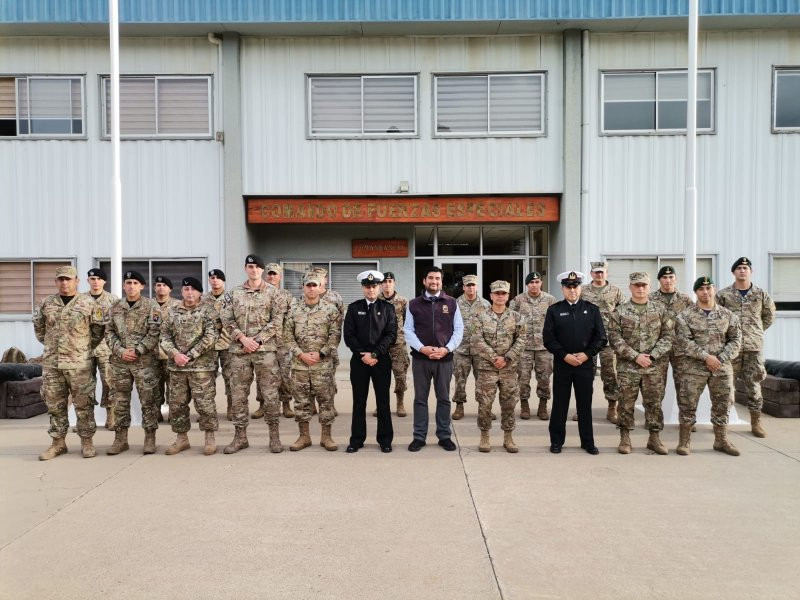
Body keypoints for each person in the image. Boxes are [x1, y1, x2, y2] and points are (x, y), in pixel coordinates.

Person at [34, 266, 105, 460]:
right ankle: (58, 443)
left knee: (84, 404)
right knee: (55, 405)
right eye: (60, 280)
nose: (64, 283)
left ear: (77, 281)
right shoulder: (46, 303)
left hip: (79, 364)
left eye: (68, 279)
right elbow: (40, 330)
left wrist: (81, 347)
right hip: (53, 364)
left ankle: (87, 441)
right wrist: (53, 346)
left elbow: (98, 331)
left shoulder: (89, 303)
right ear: (56, 282)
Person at [219, 254, 283, 454]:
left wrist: (257, 340)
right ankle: (240, 438)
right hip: (239, 351)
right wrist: (242, 338)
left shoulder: (274, 293)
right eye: (250, 266)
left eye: (257, 267)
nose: (253, 270)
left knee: (270, 394)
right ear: (245, 268)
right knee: (238, 395)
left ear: (262, 270)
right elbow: (226, 318)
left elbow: (278, 319)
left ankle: (274, 437)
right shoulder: (234, 293)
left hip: (265, 352)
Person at [675, 277, 742, 456]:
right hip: (693, 367)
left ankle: (721, 440)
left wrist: (720, 358)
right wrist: (706, 357)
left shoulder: (728, 315)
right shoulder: (685, 316)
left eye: (708, 288)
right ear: (696, 292)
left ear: (714, 289)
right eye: (701, 289)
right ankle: (684, 441)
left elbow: (736, 340)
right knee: (687, 403)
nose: (705, 292)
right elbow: (683, 341)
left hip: (721, 367)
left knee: (723, 403)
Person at [607, 272, 673, 455]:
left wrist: (651, 356)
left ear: (649, 287)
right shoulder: (619, 312)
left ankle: (654, 438)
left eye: (644, 285)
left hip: (654, 367)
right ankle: (625, 438)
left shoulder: (660, 310)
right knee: (626, 403)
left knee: (654, 403)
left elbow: (668, 337)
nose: (640, 288)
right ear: (630, 288)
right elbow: (614, 338)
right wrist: (635, 356)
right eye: (637, 285)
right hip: (628, 367)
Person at [543, 271, 607, 455]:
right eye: (568, 287)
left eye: (576, 286)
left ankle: (588, 442)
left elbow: (601, 338)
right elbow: (548, 339)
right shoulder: (554, 310)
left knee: (584, 405)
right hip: (563, 364)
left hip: (585, 365)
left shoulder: (592, 309)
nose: (572, 290)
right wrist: (564, 355)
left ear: (581, 288)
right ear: (562, 289)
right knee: (560, 405)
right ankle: (556, 441)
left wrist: (587, 355)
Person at [403, 266, 464, 452]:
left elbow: (459, 330)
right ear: (424, 281)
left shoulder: (452, 303)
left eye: (437, 278)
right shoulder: (413, 304)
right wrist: (422, 348)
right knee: (420, 399)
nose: (434, 281)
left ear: (441, 281)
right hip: (421, 359)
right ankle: (419, 437)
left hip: (444, 359)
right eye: (430, 278)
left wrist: (446, 349)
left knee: (444, 399)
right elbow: (408, 330)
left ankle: (444, 436)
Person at [716, 257, 776, 438]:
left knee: (754, 386)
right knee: (726, 387)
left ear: (751, 271)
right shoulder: (723, 295)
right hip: (730, 349)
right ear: (733, 272)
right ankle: (722, 423)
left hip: (753, 348)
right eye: (739, 268)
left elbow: (769, 316)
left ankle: (756, 422)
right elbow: (717, 318)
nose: (742, 271)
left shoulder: (761, 294)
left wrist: (755, 332)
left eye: (745, 268)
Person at [159, 277, 219, 455]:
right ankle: (181, 438)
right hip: (177, 367)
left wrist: (190, 355)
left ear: (200, 292)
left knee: (205, 404)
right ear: (182, 292)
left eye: (193, 289)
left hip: (201, 367)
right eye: (186, 289)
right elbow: (164, 336)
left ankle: (209, 437)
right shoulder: (172, 311)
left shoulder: (209, 311)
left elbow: (211, 336)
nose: (189, 292)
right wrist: (175, 354)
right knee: (177, 405)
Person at [283, 271, 342, 452]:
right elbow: (286, 336)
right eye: (308, 285)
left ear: (320, 287)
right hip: (300, 365)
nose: (311, 288)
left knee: (326, 401)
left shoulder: (330, 309)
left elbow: (335, 335)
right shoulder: (293, 310)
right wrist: (300, 354)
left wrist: (321, 353)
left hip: (322, 365)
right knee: (301, 402)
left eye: (314, 285)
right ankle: (304, 437)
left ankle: (326, 437)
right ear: (303, 288)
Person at [105, 270, 162, 455]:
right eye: (128, 282)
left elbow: (155, 332)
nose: (131, 286)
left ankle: (150, 437)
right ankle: (120, 439)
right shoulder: (114, 307)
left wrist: (138, 350)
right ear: (123, 286)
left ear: (142, 286)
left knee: (149, 400)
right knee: (120, 401)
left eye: (135, 283)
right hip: (120, 362)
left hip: (144, 362)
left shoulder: (151, 306)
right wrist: (120, 351)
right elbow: (108, 332)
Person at [343, 271, 397, 452]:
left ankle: (385, 440)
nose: (371, 289)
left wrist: (374, 354)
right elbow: (349, 336)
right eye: (367, 286)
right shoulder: (353, 308)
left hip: (380, 360)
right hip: (359, 361)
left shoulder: (388, 308)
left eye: (374, 286)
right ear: (362, 288)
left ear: (379, 287)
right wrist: (363, 354)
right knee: (359, 401)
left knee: (383, 401)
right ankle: (357, 439)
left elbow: (391, 334)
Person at [471, 280, 527, 453]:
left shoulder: (517, 318)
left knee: (509, 403)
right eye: (497, 293)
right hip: (487, 368)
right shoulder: (480, 317)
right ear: (491, 296)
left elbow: (521, 340)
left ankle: (508, 437)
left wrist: (507, 357)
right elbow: (477, 339)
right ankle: (485, 436)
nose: (500, 296)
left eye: (503, 293)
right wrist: (494, 357)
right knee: (485, 404)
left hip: (509, 369)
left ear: (508, 296)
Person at [580, 261, 624, 424]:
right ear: (591, 273)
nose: (599, 275)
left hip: (608, 339)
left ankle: (612, 407)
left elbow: (622, 313)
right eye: (596, 272)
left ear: (607, 273)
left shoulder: (616, 291)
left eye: (602, 272)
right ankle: (583, 409)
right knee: (585, 375)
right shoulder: (583, 291)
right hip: (587, 340)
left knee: (610, 374)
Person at [509, 271, 556, 420]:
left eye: (537, 282)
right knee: (523, 379)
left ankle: (543, 406)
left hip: (544, 348)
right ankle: (524, 406)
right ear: (527, 284)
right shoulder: (518, 300)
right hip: (524, 348)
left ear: (541, 283)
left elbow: (558, 323)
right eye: (531, 283)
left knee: (544, 379)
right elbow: (510, 322)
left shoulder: (550, 300)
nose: (534, 285)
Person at [649, 265, 693, 414]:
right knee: (656, 386)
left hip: (680, 349)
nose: (668, 280)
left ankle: (686, 418)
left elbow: (693, 321)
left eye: (670, 277)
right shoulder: (651, 299)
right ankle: (654, 418)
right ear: (659, 280)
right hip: (658, 348)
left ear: (675, 279)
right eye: (664, 277)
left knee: (684, 385)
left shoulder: (685, 300)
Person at [451, 274, 490, 421]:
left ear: (477, 286)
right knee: (460, 380)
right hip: (461, 349)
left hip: (480, 350)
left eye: (473, 285)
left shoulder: (486, 304)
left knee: (483, 381)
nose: (471, 288)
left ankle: (484, 408)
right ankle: (459, 407)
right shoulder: (455, 304)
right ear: (463, 287)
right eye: (468, 285)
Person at [86, 268, 119, 429]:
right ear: (88, 281)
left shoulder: (113, 300)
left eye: (99, 279)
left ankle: (111, 416)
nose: (95, 282)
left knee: (109, 382)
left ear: (104, 281)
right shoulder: (80, 300)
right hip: (84, 349)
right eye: (92, 279)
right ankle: (87, 420)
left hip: (106, 348)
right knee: (85, 384)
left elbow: (119, 325)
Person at [201, 268, 234, 421]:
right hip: (209, 345)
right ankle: (208, 410)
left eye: (218, 278)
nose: (215, 280)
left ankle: (231, 407)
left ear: (223, 280)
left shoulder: (231, 297)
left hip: (228, 343)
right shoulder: (203, 299)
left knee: (230, 377)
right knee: (207, 378)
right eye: (212, 278)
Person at [378, 271, 409, 417]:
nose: (387, 284)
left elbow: (408, 322)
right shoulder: (376, 300)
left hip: (398, 344)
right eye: (384, 282)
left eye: (390, 282)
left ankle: (400, 403)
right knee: (381, 377)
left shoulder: (402, 301)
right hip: (380, 345)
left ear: (394, 283)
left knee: (400, 375)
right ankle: (381, 405)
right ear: (381, 284)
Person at [153, 275, 180, 422]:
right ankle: (156, 411)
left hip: (171, 352)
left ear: (170, 288)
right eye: (158, 285)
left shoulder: (178, 305)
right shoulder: (148, 305)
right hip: (152, 352)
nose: (161, 287)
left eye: (164, 285)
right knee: (155, 385)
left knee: (173, 385)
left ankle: (172, 412)